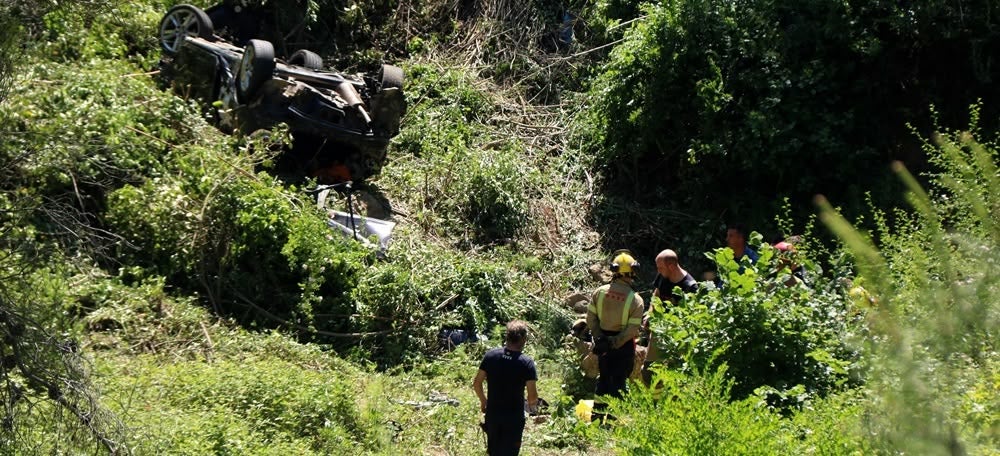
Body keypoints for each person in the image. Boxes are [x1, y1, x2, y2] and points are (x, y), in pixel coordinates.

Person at [473, 320, 539, 456]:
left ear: (507, 337)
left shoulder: (491, 356)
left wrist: (484, 401)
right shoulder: (527, 363)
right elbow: (532, 397)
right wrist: (532, 407)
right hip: (514, 418)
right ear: (524, 340)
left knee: (494, 451)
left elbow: (477, 383)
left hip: (493, 414)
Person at [587, 250, 645, 398]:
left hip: (602, 343)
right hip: (623, 347)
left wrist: (600, 338)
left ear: (614, 271)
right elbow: (632, 329)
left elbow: (591, 319)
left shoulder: (599, 292)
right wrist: (615, 343)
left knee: (604, 379)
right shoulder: (636, 300)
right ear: (633, 272)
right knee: (619, 383)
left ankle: (598, 411)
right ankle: (616, 412)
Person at [644, 249, 699, 382]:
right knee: (648, 371)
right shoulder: (663, 276)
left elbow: (691, 318)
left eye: (661, 268)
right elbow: (656, 294)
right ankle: (652, 395)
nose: (658, 271)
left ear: (672, 266)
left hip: (677, 337)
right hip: (658, 330)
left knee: (673, 375)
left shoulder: (690, 287)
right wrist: (650, 313)